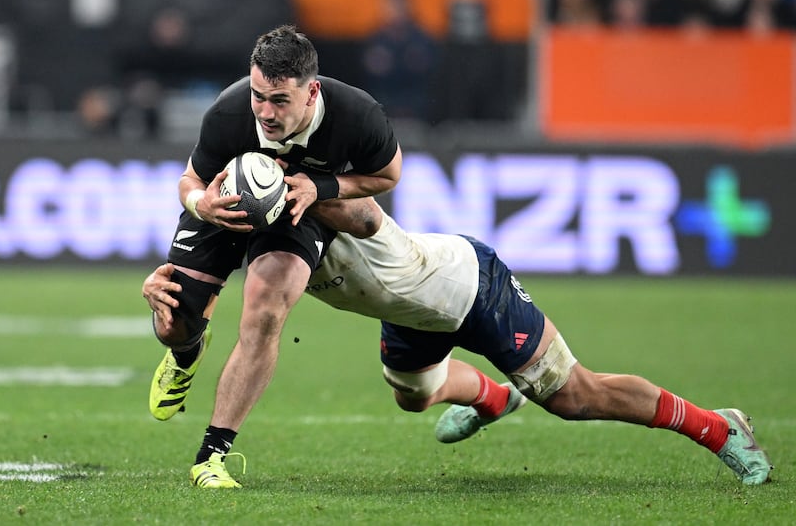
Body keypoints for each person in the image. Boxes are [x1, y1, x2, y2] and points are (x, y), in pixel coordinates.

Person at [144, 199, 774, 488]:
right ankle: (495, 400)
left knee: (574, 396)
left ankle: (719, 428)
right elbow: (199, 301)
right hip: (413, 314)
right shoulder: (242, 228)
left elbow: (358, 215)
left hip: (469, 287)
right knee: (414, 397)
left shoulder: (311, 207)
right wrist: (168, 304)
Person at [146, 25, 402, 488]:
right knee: (172, 321)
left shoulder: (356, 114)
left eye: (280, 100)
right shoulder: (228, 111)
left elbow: (388, 174)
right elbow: (189, 180)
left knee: (265, 309)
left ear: (312, 92)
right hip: (222, 206)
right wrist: (200, 204)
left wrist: (322, 187)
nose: (265, 111)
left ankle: (212, 455)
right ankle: (186, 353)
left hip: (300, 207)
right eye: (259, 95)